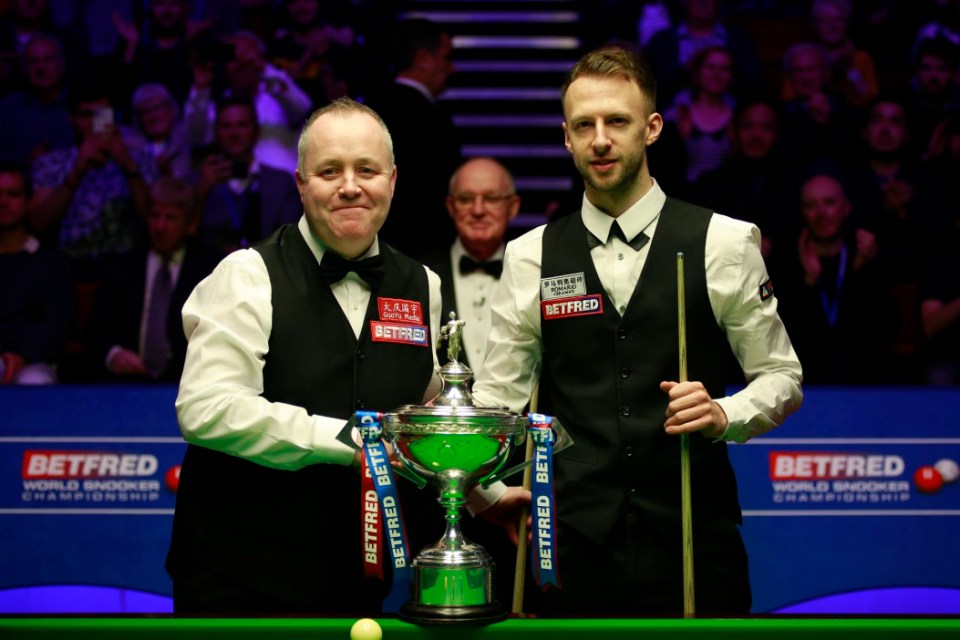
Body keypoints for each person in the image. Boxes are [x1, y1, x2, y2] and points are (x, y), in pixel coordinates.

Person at [471, 47, 803, 616]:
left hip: (697, 541)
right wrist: (487, 492)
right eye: (585, 125)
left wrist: (726, 413)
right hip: (572, 551)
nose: (601, 139)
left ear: (651, 128)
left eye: (617, 121)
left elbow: (781, 376)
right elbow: (499, 402)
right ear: (567, 138)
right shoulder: (530, 255)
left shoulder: (724, 241)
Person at [166, 97, 525, 614]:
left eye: (367, 170)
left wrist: (482, 495)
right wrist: (345, 439)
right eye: (329, 170)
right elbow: (206, 408)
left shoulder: (421, 284)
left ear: (393, 180)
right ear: (300, 183)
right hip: (237, 577)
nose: (350, 185)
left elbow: (420, 421)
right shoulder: (246, 274)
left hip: (355, 580)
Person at [84, 177, 222, 383]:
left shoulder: (211, 269)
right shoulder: (121, 266)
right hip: (125, 383)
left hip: (191, 383)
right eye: (154, 216)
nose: (160, 226)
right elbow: (96, 331)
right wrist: (113, 354)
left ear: (189, 223)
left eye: (170, 218)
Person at [771, 173, 894, 384]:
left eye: (829, 203)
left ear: (846, 208)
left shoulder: (865, 257)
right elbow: (779, 333)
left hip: (863, 378)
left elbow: (882, 329)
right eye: (811, 205)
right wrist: (809, 281)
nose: (821, 213)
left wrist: (857, 273)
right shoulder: (785, 261)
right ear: (802, 212)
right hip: (802, 379)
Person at [27, 83, 158, 279]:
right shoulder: (49, 164)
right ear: (71, 118)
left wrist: (127, 164)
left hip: (127, 269)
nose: (93, 123)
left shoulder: (140, 161)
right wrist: (77, 170)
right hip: (67, 269)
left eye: (101, 114)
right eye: (85, 115)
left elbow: (156, 221)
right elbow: (37, 224)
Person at [367, 17, 462, 259]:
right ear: (422, 59)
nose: (452, 68)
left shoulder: (371, 111)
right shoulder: (435, 120)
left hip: (375, 246)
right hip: (426, 251)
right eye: (447, 58)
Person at [422, 157, 519, 370]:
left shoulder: (532, 273)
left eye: (491, 198)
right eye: (466, 199)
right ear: (451, 206)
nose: (478, 210)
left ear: (513, 207)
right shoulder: (420, 276)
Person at [191, 96, 302, 254]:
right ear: (216, 132)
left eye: (242, 125)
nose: (234, 133)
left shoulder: (280, 183)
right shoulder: (199, 182)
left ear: (257, 131)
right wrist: (202, 191)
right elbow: (185, 238)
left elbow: (292, 246)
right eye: (226, 126)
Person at [0, 160, 74, 385]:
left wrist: (22, 355)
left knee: (35, 382)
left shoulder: (52, 263)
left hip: (35, 361)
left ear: (29, 202)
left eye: (13, 194)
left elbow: (57, 323)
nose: (3, 202)